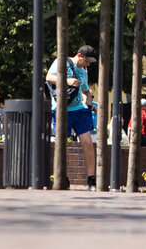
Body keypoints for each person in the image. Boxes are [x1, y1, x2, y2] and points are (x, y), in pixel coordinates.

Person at [45, 45, 97, 190]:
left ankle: (91, 179)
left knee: (87, 142)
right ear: (79, 55)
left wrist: (88, 102)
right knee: (62, 144)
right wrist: (68, 81)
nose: (87, 64)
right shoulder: (61, 62)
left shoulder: (83, 72)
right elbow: (49, 77)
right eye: (86, 61)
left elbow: (86, 91)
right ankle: (62, 176)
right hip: (61, 109)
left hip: (79, 110)